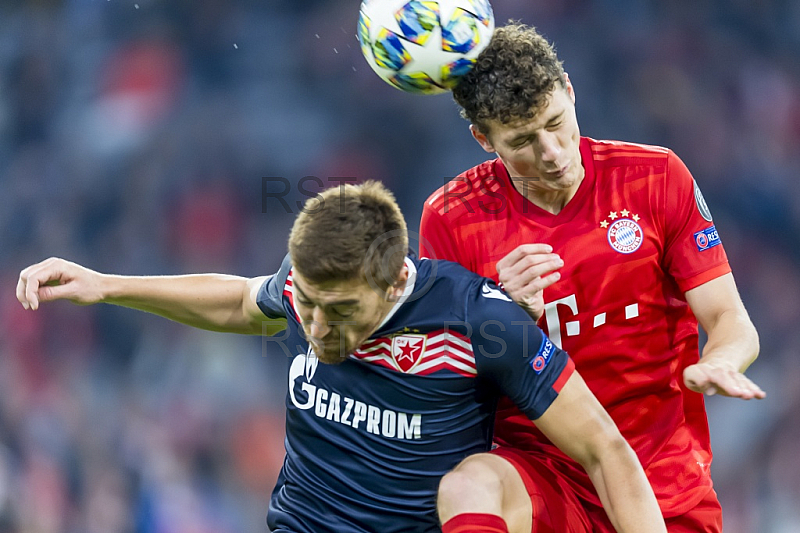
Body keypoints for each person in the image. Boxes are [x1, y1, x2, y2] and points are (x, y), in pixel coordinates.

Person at [17, 182, 666, 533]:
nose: (316, 326)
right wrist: (107, 284)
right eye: (307, 302)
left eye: (341, 311)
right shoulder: (310, 287)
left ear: (392, 284)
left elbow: (605, 448)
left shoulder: (481, 321)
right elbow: (243, 301)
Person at [420, 23, 765, 533]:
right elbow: (444, 386)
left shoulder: (655, 178)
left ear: (570, 90)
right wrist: (497, 311)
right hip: (543, 475)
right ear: (482, 139)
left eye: (557, 122)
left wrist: (718, 362)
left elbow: (730, 319)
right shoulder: (451, 218)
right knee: (470, 485)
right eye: (522, 141)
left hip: (663, 483)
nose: (552, 153)